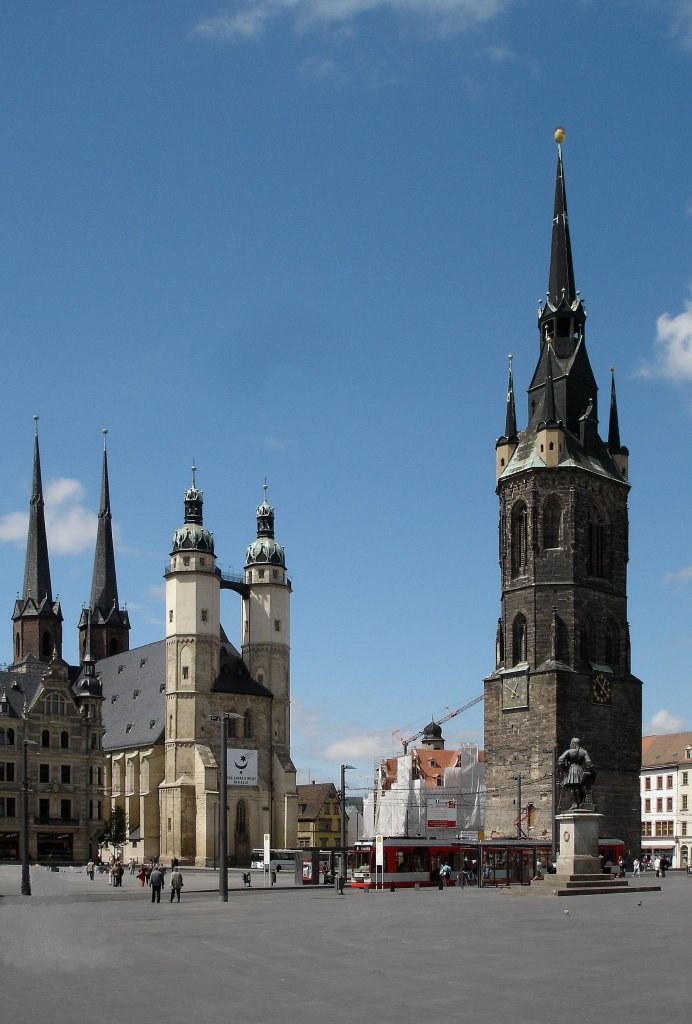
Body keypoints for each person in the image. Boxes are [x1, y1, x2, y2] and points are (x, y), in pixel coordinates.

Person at [557, 737, 595, 809]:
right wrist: (591, 770)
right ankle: (581, 803)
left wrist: (564, 768)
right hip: (580, 770)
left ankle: (574, 803)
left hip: (572, 769)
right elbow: (588, 762)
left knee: (573, 787)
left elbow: (560, 759)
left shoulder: (569, 751)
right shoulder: (584, 752)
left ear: (573, 743)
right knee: (580, 787)